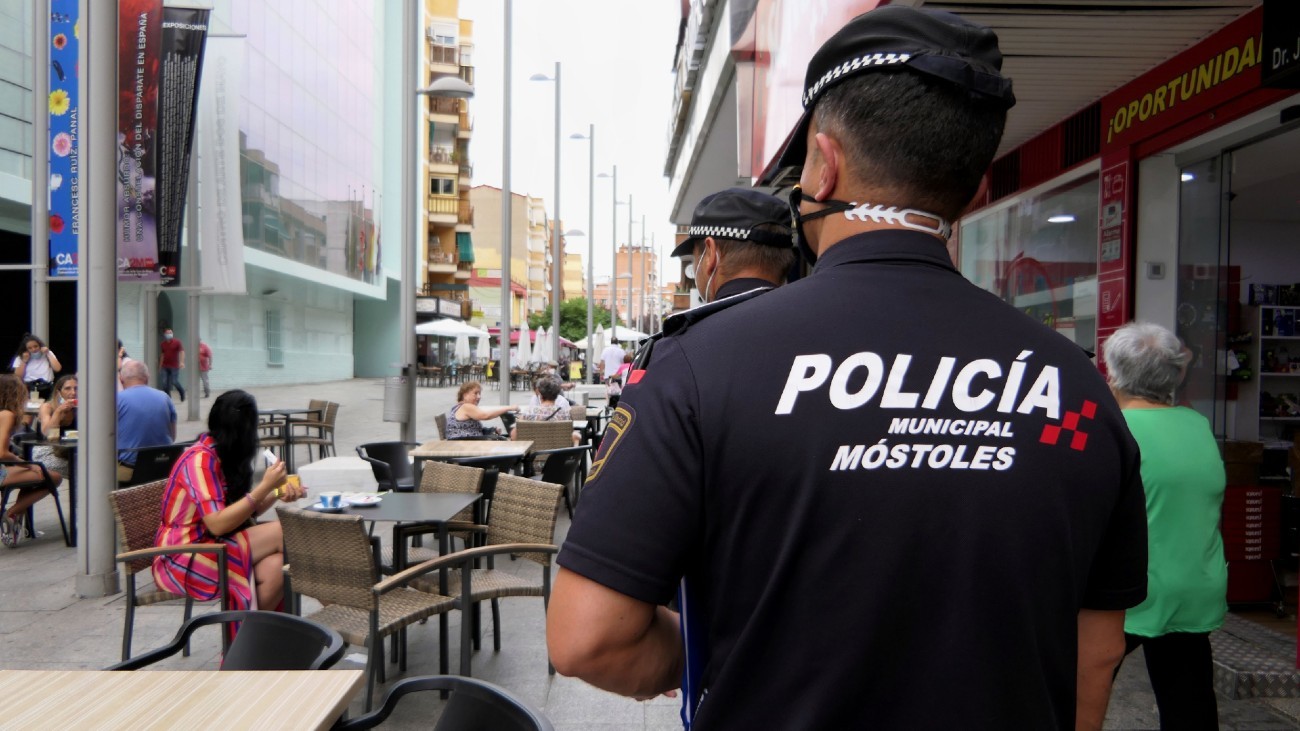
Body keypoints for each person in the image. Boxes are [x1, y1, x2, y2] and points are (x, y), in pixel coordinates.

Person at [547, 7, 1148, 731]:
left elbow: (588, 636)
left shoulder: (700, 365)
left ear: (824, 168)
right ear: (976, 189)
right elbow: (1097, 653)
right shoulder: (1080, 390)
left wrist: (722, 654)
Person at [1104, 322, 1227, 730]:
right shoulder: (1196, 426)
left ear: (1114, 374)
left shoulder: (1115, 431)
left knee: (1076, 691)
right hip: (1194, 587)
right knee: (1188, 705)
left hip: (1131, 592)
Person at [153, 390, 306, 612]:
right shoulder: (200, 461)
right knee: (288, 530)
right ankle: (340, 612)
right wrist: (265, 486)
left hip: (214, 544)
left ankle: (244, 644)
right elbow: (217, 523)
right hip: (183, 556)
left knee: (276, 568)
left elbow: (241, 513)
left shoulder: (222, 455)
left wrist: (274, 492)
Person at [0, 374, 61, 547]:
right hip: (1, 471)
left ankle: (13, 517)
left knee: (37, 477)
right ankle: (11, 514)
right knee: (54, 478)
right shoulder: (6, 415)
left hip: (3, 469)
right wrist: (29, 464)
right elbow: (2, 453)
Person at [117, 360, 177, 483]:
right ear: (147, 378)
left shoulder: (117, 399)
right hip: (164, 467)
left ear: (121, 379)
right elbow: (173, 436)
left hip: (129, 471)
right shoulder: (164, 397)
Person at [513, 374, 580, 446]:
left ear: (540, 394)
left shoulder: (529, 412)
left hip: (533, 454)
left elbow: (514, 435)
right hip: (559, 455)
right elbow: (569, 436)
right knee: (576, 436)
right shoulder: (565, 414)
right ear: (557, 394)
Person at [31, 374, 77, 478]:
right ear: (58, 392)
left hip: (69, 452)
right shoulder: (48, 407)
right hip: (47, 452)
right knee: (81, 469)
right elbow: (48, 434)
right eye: (68, 389)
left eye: (76, 388)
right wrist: (58, 411)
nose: (73, 393)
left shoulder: (80, 408)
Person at [445, 381, 518, 440]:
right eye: (475, 393)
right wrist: (509, 408)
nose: (479, 397)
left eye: (479, 393)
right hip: (463, 444)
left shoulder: (458, 407)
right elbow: (486, 415)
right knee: (501, 441)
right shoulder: (466, 407)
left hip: (465, 441)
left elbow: (471, 428)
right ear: (465, 395)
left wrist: (490, 430)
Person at [10, 334, 62, 401]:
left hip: (47, 387)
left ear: (40, 346)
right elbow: (17, 376)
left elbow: (57, 368)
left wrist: (48, 353)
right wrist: (24, 361)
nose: (33, 349)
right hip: (29, 388)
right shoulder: (20, 357)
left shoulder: (47, 354)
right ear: (26, 349)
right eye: (30, 348)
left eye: (36, 346)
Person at [158, 327, 185, 402]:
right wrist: (160, 366)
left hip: (174, 366)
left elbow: (182, 352)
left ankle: (182, 392)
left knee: (174, 381)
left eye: (170, 333)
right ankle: (168, 399)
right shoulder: (163, 344)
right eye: (167, 333)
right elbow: (162, 355)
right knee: (164, 383)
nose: (169, 334)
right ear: (164, 334)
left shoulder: (177, 342)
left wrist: (182, 362)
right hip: (164, 366)